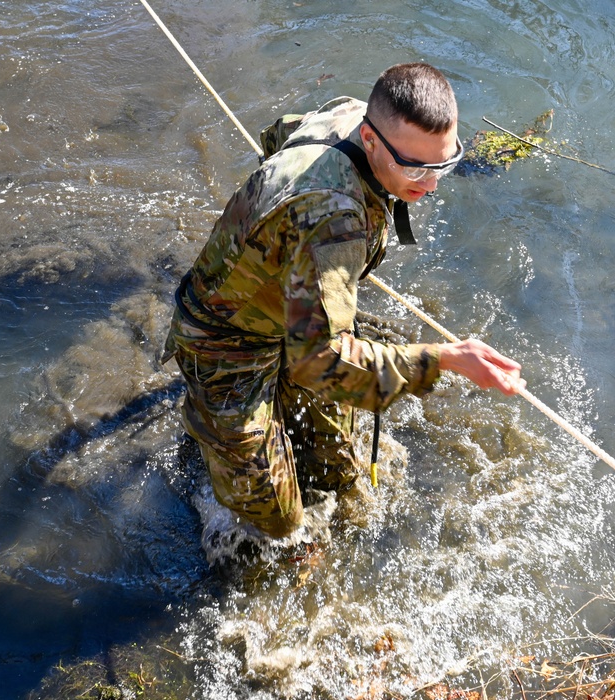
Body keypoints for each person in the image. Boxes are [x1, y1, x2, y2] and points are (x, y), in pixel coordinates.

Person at [163, 62, 525, 538]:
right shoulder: (333, 222)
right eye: (417, 167)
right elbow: (319, 361)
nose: (432, 183)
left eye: (445, 163)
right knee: (279, 525)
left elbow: (277, 136)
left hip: (290, 317)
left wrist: (287, 251)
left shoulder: (350, 114)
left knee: (338, 467)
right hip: (224, 342)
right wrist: (443, 360)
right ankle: (211, 422)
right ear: (371, 140)